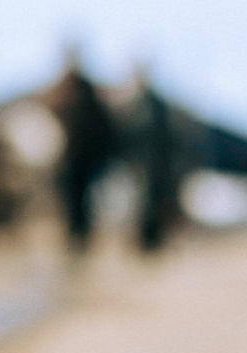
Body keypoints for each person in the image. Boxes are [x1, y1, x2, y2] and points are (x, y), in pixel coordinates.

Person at [44, 56, 118, 256]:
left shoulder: (88, 92)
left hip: (86, 161)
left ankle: (82, 242)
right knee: (69, 205)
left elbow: (103, 126)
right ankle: (72, 243)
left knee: (84, 205)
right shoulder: (58, 92)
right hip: (67, 162)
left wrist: (102, 155)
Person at [130, 78, 183, 253]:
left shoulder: (152, 108)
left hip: (154, 167)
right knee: (143, 205)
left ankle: (152, 242)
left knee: (153, 204)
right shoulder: (140, 107)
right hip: (144, 167)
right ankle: (145, 242)